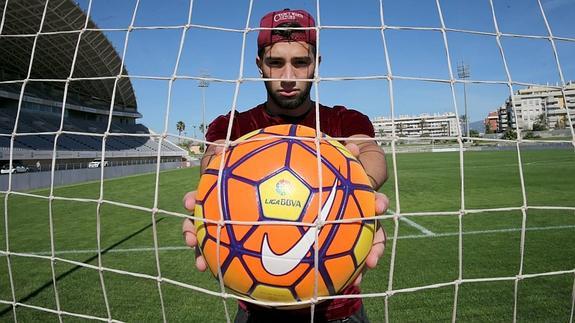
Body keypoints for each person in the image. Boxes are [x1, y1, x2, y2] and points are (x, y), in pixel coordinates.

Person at [182, 8, 389, 323]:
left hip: (338, 311)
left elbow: (371, 153)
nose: (288, 76)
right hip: (257, 307)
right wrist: (214, 176)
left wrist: (357, 190)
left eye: (300, 62)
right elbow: (213, 160)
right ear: (259, 66)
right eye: (276, 63)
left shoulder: (343, 119)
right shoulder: (235, 126)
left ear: (316, 64)